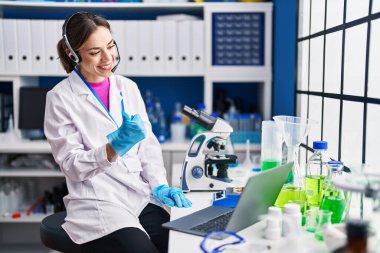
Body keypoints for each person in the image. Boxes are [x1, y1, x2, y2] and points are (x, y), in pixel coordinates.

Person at [44, 12, 192, 253]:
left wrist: (160, 185)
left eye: (110, 46)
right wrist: (113, 149)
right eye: (94, 52)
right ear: (73, 54)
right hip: (98, 201)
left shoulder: (127, 87)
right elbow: (71, 165)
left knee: (180, 246)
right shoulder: (60, 98)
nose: (107, 58)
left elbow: (148, 147)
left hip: (138, 196)